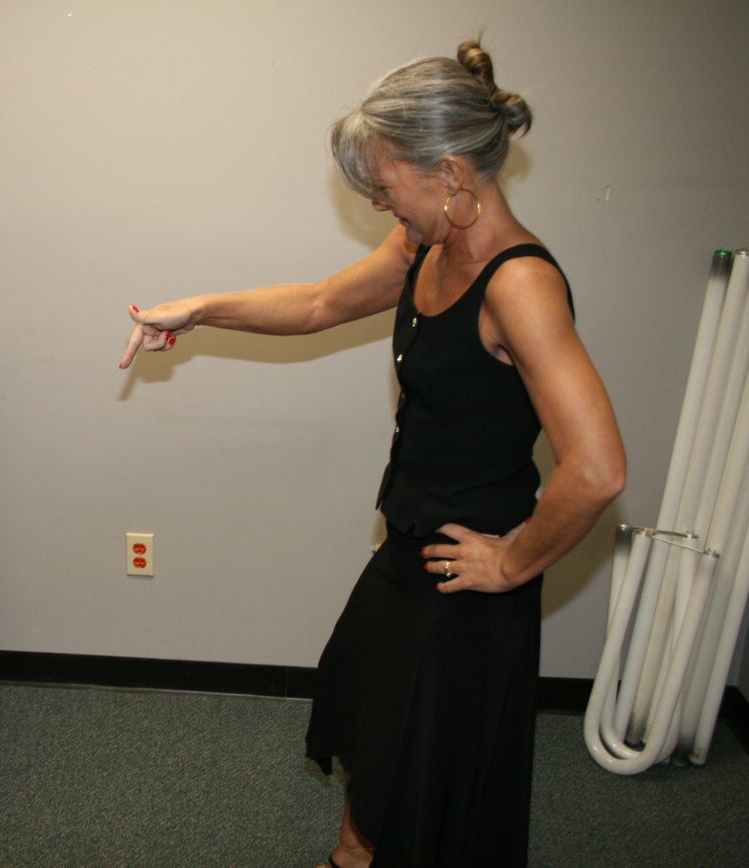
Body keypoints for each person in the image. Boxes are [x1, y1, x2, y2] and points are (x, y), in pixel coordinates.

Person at [119, 41, 625, 867]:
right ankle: (351, 857)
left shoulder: (519, 285)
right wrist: (200, 309)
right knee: (370, 729)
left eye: (387, 188)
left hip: (465, 579)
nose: (382, 207)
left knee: (429, 779)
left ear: (450, 175)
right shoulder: (426, 247)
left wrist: (512, 562)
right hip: (408, 548)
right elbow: (320, 303)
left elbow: (598, 468)